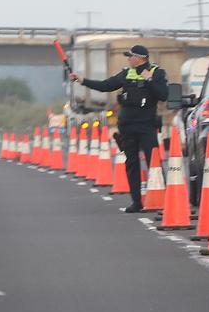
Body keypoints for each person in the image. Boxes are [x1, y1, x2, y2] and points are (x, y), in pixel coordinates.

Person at [70, 45, 168, 212]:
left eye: (131, 56)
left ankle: (162, 199)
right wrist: (82, 80)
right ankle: (136, 202)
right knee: (131, 164)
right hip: (127, 126)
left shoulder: (157, 72)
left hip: (146, 126)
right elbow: (105, 85)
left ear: (140, 58)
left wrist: (149, 80)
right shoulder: (126, 73)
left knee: (155, 163)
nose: (128, 59)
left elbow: (163, 95)